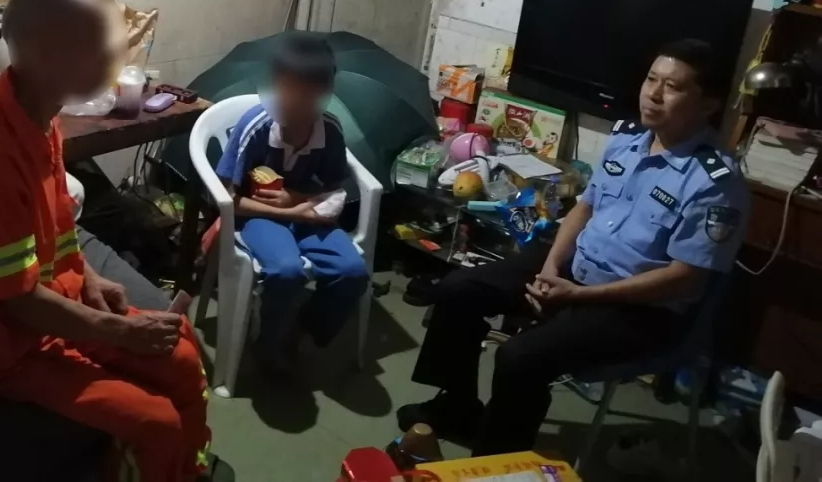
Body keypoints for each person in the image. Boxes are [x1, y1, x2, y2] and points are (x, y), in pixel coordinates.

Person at [0, 0, 210, 482]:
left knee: (181, 354)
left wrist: (88, 276)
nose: (118, 57)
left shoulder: (38, 113)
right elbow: (12, 299)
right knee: (155, 423)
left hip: (43, 301)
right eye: (103, 47)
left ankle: (188, 469)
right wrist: (120, 331)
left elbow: (58, 218)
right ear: (47, 58)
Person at [396, 39, 750, 457]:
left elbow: (685, 279)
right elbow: (585, 207)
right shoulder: (627, 140)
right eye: (651, 79)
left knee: (519, 357)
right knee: (458, 289)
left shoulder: (715, 183)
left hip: (640, 308)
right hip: (575, 270)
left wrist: (577, 297)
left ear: (708, 105)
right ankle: (457, 407)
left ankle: (499, 464)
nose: (653, 94)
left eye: (672, 87)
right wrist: (550, 268)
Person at [215, 34, 369, 371]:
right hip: (258, 217)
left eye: (303, 96)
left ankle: (301, 328)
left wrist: (297, 201)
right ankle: (267, 340)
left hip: (308, 215)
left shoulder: (329, 131)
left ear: (322, 95)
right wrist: (285, 209)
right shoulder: (255, 126)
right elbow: (228, 199)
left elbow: (333, 190)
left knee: (353, 273)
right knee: (286, 271)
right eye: (283, 91)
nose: (290, 104)